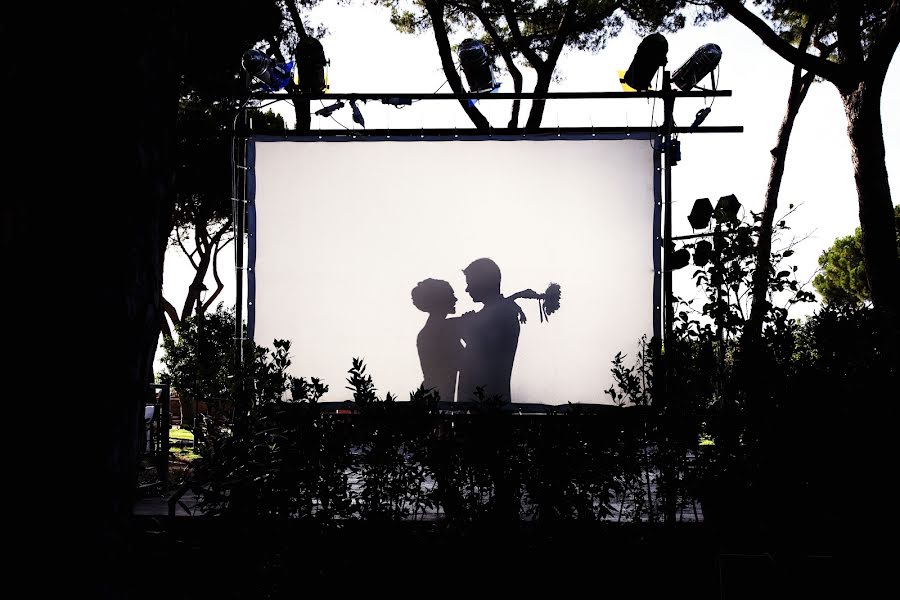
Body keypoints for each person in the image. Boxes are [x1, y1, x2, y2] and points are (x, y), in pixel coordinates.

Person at [457, 258, 539, 404]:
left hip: (489, 405)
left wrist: (469, 331)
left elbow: (488, 359)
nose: (467, 289)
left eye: (470, 283)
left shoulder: (503, 314)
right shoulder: (498, 313)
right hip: (479, 403)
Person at [411, 278, 463, 404]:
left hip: (432, 395)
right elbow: (463, 362)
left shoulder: (436, 328)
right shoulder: (443, 330)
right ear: (440, 300)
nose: (456, 299)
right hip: (435, 397)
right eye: (451, 295)